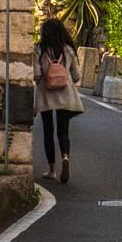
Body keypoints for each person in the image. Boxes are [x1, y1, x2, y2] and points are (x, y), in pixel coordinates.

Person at [33, 17, 86, 183]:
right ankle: (65, 157)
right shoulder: (68, 49)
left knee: (48, 132)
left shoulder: (39, 50)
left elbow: (36, 74)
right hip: (66, 95)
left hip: (46, 95)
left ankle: (51, 170)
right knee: (63, 132)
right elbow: (77, 76)